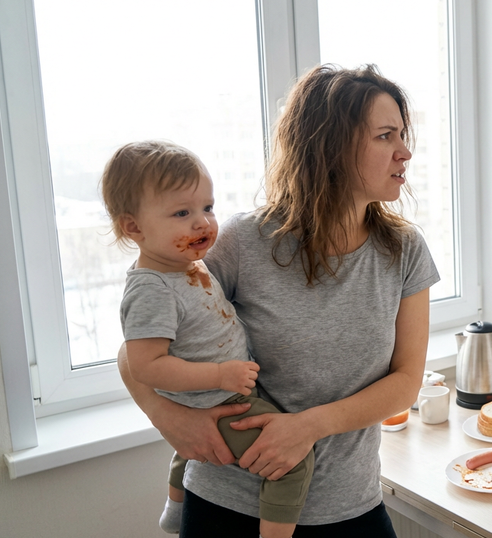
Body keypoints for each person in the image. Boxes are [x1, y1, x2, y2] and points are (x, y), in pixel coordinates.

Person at [118, 64, 439, 537]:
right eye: (386, 136)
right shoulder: (243, 242)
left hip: (350, 508)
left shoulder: (404, 250)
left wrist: (308, 426)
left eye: (402, 135)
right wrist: (168, 418)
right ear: (331, 146)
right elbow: (136, 350)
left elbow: (407, 381)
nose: (404, 152)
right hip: (229, 506)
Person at [102, 140, 315, 538]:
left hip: (217, 392)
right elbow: (146, 365)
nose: (202, 222)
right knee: (293, 463)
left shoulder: (184, 265)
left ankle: (175, 512)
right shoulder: (151, 289)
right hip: (218, 398)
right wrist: (219, 376)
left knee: (190, 452)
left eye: (207, 207)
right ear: (133, 227)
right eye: (182, 213)